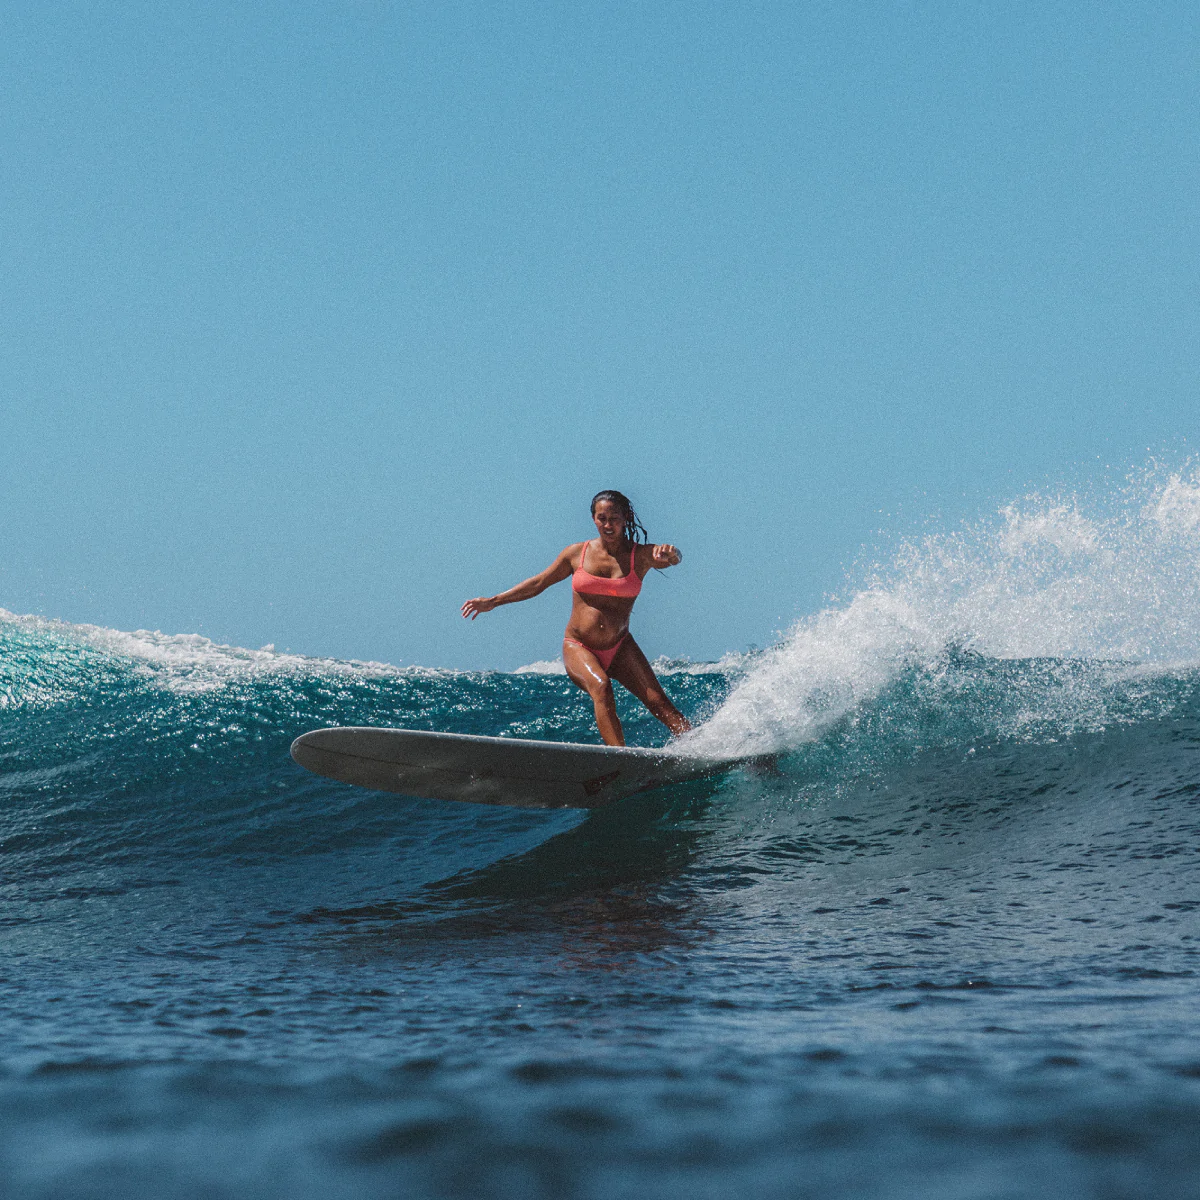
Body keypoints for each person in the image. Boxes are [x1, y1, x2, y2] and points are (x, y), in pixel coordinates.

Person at [461, 490, 692, 747]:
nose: (608, 525)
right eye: (601, 518)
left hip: (620, 646)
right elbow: (539, 583)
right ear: (593, 519)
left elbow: (673, 559)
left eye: (614, 518)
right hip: (579, 646)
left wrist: (672, 554)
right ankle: (620, 758)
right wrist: (493, 601)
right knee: (601, 687)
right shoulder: (576, 554)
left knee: (659, 702)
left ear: (625, 518)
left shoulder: (641, 555)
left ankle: (697, 747)